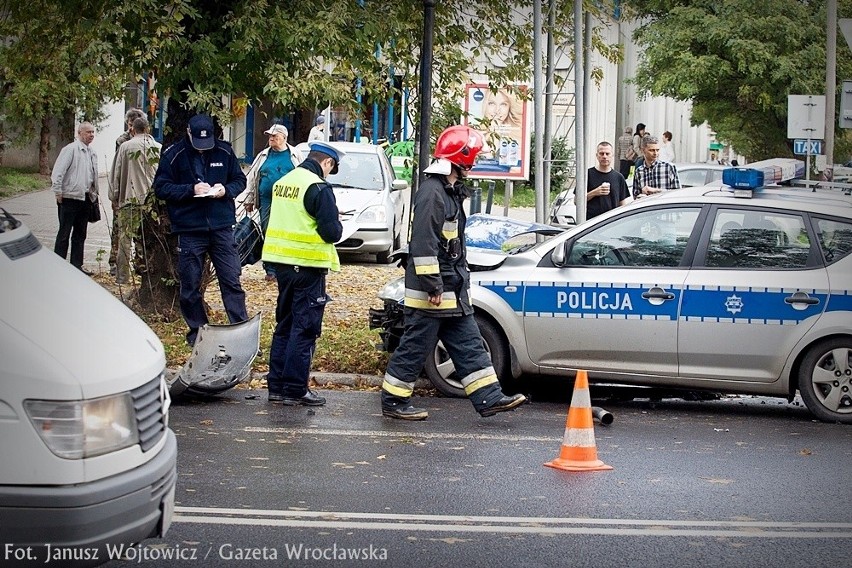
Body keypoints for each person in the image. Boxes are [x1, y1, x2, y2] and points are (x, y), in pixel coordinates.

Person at [380, 125, 527, 420]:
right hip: (433, 292)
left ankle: (489, 398)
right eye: (473, 155)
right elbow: (424, 244)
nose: (474, 162)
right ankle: (394, 401)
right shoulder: (433, 193)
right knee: (416, 345)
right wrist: (433, 285)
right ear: (462, 157)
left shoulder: (447, 192)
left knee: (470, 342)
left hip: (452, 288)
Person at [153, 114, 248, 346]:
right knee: (190, 285)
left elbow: (240, 180)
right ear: (188, 133)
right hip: (190, 228)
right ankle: (198, 334)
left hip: (221, 227)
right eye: (199, 142)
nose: (204, 148)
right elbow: (161, 187)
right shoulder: (173, 155)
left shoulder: (224, 152)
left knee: (231, 280)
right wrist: (190, 189)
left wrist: (225, 190)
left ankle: (240, 329)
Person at [262, 141, 344, 406]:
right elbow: (331, 232)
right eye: (332, 169)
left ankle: (276, 386)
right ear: (327, 163)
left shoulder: (285, 181)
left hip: (282, 267)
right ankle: (295, 389)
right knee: (305, 329)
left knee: (284, 325)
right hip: (308, 268)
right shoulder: (319, 187)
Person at [243, 123, 304, 281]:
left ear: (284, 137)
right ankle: (270, 269)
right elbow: (252, 178)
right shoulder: (263, 155)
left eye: (274, 136)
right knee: (268, 232)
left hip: (289, 201)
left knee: (286, 233)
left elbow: (303, 177)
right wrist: (249, 199)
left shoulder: (295, 155)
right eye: (270, 135)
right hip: (266, 200)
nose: (271, 138)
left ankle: (286, 266)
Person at [110, 116, 161, 284]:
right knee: (148, 241)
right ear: (148, 129)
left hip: (129, 200)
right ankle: (146, 275)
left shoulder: (125, 147)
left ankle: (122, 277)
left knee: (125, 241)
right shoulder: (158, 148)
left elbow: (115, 174)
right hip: (150, 202)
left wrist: (114, 197)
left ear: (133, 129)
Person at [52, 122, 98, 274]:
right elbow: (58, 172)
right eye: (88, 132)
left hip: (85, 198)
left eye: (93, 132)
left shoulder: (91, 152)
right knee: (64, 233)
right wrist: (58, 192)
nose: (91, 135)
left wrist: (94, 193)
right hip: (69, 197)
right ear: (80, 133)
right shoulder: (70, 150)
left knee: (80, 234)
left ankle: (76, 266)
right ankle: (58, 265)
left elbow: (92, 175)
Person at [109, 108, 146, 276]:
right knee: (120, 232)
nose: (131, 128)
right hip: (125, 193)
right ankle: (114, 263)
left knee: (140, 233)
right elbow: (117, 169)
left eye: (134, 125)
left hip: (140, 194)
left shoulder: (145, 142)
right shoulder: (122, 142)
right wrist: (114, 195)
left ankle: (140, 264)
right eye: (129, 125)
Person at [586, 141, 631, 220]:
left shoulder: (619, 177)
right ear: (597, 155)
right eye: (601, 153)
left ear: (612, 155)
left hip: (611, 223)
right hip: (591, 224)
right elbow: (577, 201)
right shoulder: (587, 174)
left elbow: (622, 204)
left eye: (607, 154)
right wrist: (595, 192)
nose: (604, 156)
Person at [632, 134, 682, 199]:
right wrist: (641, 197)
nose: (655, 153)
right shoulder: (639, 171)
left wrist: (655, 191)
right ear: (643, 150)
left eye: (657, 150)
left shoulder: (669, 167)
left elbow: (678, 193)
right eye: (652, 150)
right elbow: (635, 195)